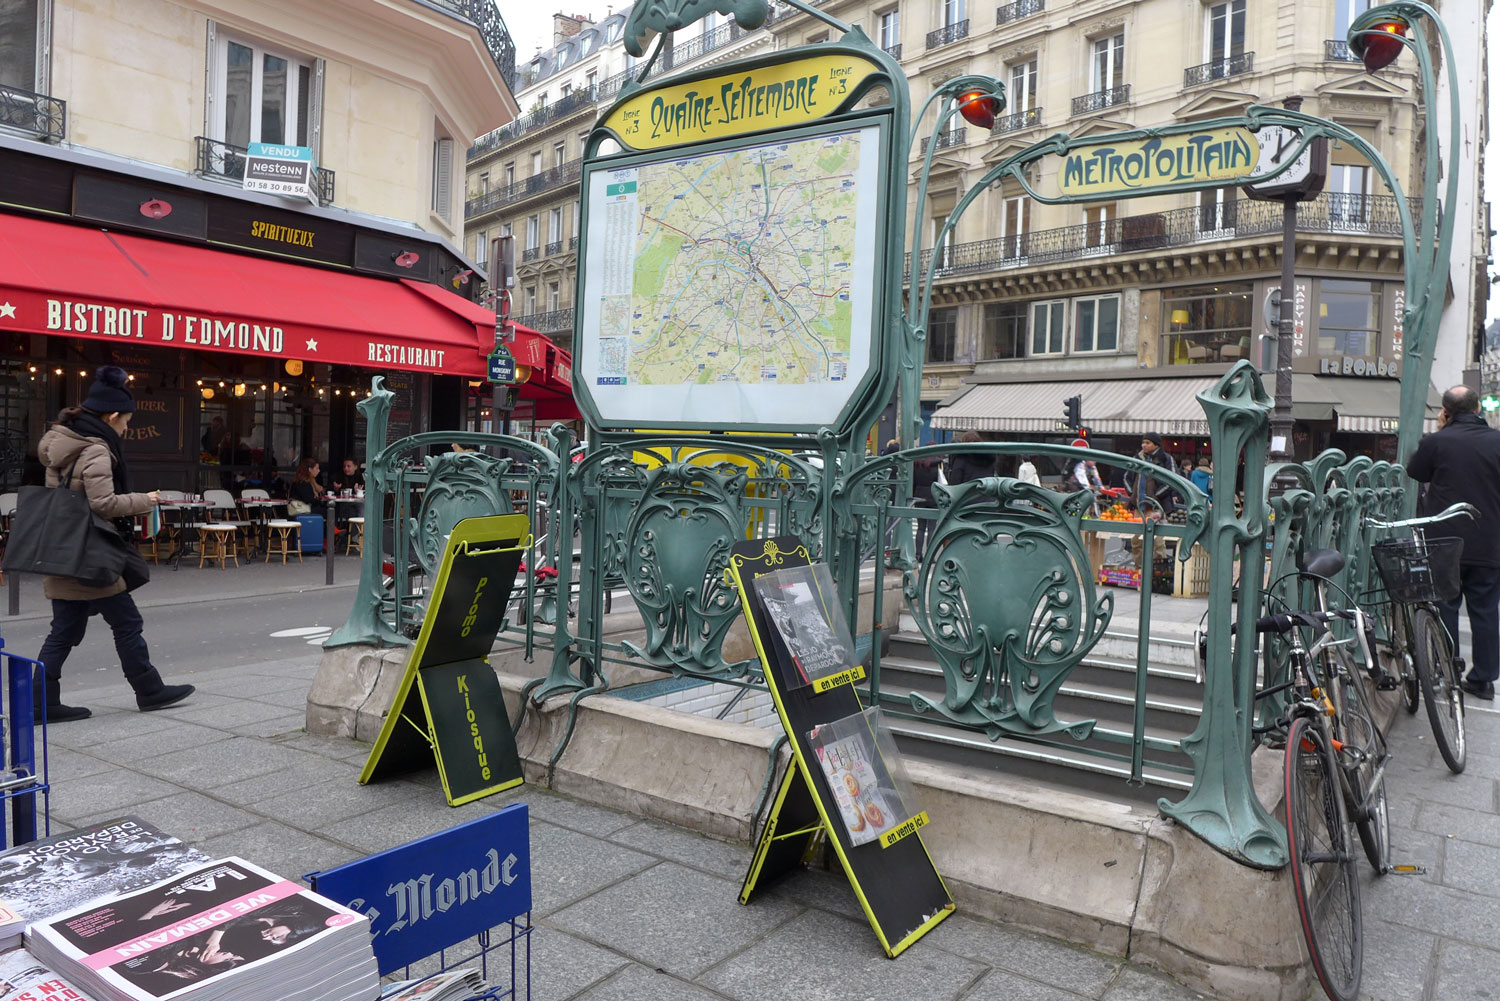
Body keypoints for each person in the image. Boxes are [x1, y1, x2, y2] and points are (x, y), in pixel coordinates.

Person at [31, 367, 195, 723]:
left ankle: (40, 702)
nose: (126, 430)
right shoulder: (95, 450)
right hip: (92, 556)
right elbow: (103, 504)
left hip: (63, 549)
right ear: (112, 416)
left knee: (64, 630)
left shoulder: (63, 445)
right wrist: (145, 499)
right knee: (127, 621)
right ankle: (149, 690)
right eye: (125, 423)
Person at [1406, 385, 1500, 701]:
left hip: (1445, 539)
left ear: (1445, 412)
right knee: (1486, 610)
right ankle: (1484, 680)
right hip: (1488, 541)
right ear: (1477, 410)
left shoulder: (1437, 441)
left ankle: (1449, 670)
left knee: (1446, 604)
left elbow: (1415, 471)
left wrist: (1438, 432)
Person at [1125, 433, 1178, 513]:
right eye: (1143, 442)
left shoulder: (1166, 459)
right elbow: (1126, 477)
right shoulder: (1136, 458)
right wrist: (1132, 494)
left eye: (1148, 443)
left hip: (1159, 508)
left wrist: (1156, 496)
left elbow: (1173, 480)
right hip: (1138, 507)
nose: (1144, 445)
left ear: (1156, 445)